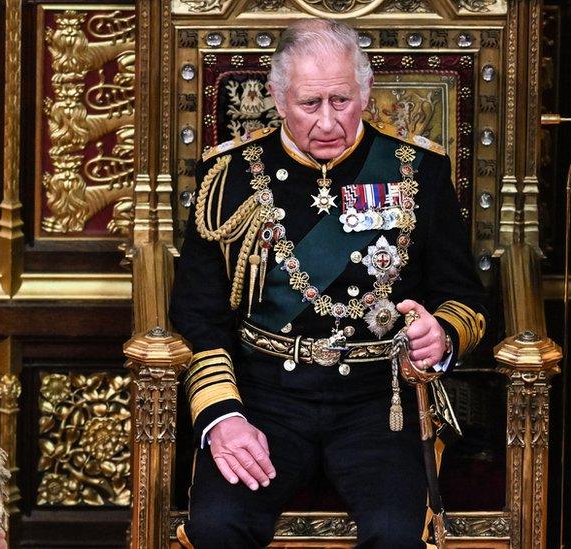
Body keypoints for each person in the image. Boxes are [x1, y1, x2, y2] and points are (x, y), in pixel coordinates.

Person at [170, 18, 487, 549]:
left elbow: (466, 298)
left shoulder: (418, 172)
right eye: (308, 104)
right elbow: (198, 311)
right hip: (264, 396)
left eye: (340, 101)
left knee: (397, 534)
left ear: (365, 93)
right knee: (217, 526)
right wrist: (223, 415)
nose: (326, 122)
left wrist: (443, 335)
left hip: (377, 400)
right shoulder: (228, 177)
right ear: (276, 97)